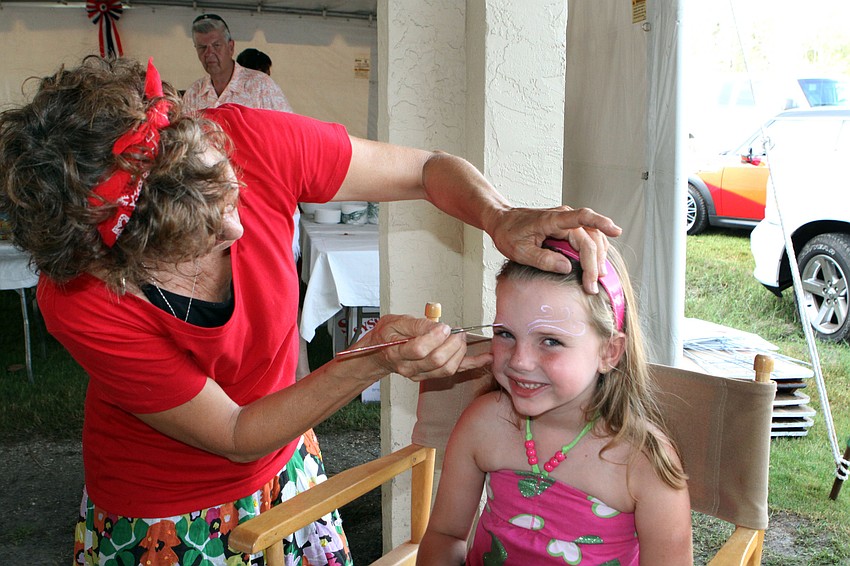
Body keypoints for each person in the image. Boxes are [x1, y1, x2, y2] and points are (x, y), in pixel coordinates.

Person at [0, 57, 620, 565]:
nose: (237, 224)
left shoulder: (251, 137)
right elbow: (238, 436)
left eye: (226, 187)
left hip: (287, 459)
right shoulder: (83, 299)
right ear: (122, 260)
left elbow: (429, 171)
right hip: (165, 506)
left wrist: (497, 215)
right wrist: (369, 357)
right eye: (201, 233)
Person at [417, 240, 693, 565]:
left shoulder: (642, 461)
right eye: (506, 334)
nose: (520, 361)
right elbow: (445, 535)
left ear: (609, 352)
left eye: (551, 341)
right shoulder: (484, 423)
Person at [183, 13, 293, 113]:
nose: (209, 53)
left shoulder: (261, 86)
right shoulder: (194, 93)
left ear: (231, 47)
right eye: (202, 47)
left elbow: (287, 129)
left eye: (216, 45)